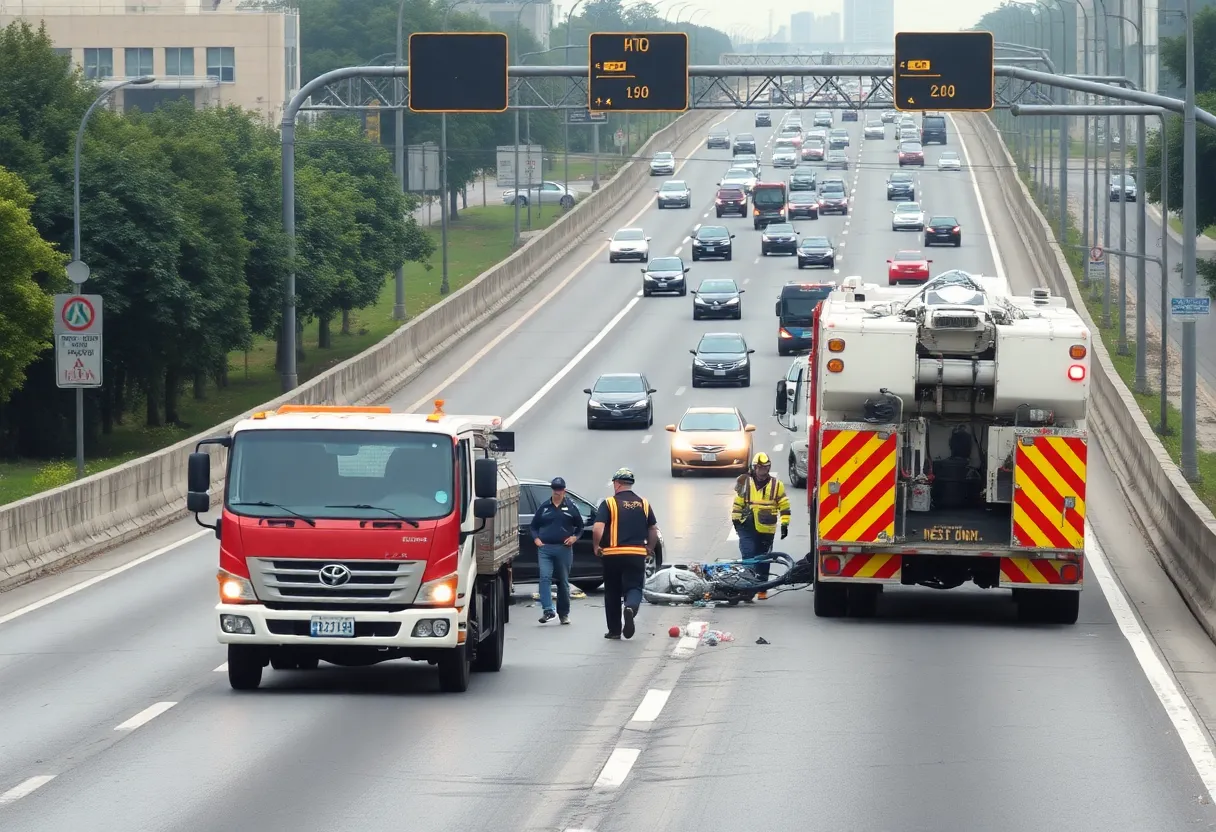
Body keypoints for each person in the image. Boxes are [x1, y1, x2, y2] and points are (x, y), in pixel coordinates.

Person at [592, 468, 658, 640]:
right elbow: (653, 528)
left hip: (612, 554)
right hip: (635, 553)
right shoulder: (644, 503)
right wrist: (649, 548)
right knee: (634, 587)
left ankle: (614, 631)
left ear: (617, 483)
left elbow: (598, 527)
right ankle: (630, 608)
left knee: (612, 591)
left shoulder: (609, 503)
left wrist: (596, 546)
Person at [731, 452, 791, 600]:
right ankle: (748, 588)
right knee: (748, 555)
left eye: (764, 468)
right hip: (746, 526)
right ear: (754, 468)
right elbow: (738, 503)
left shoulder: (777, 485)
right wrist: (736, 520)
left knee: (763, 558)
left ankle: (762, 587)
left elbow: (784, 506)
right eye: (759, 468)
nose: (761, 471)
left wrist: (784, 524)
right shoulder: (745, 482)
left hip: (766, 528)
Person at [529, 477, 583, 624]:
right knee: (545, 578)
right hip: (545, 548)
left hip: (563, 548)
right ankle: (548, 610)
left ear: (564, 490)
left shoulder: (571, 507)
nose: (557, 492)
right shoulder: (545, 507)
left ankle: (564, 613)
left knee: (563, 582)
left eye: (560, 489)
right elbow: (533, 526)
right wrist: (536, 539)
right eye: (555, 489)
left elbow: (580, 527)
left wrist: (574, 538)